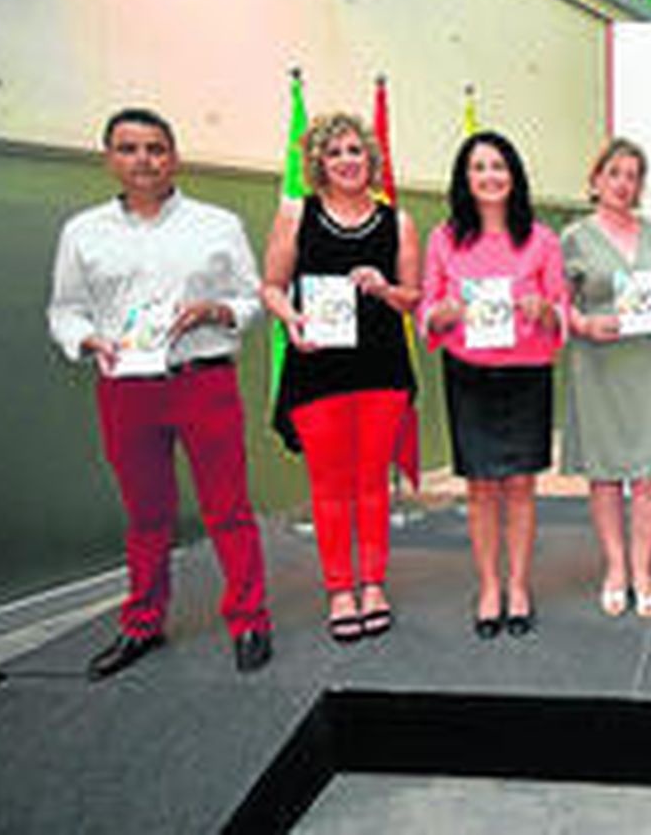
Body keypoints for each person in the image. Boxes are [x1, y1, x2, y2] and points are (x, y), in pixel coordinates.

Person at [48, 107, 272, 678]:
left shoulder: (217, 224)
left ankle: (249, 619)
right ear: (110, 159)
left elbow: (252, 299)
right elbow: (65, 309)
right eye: (129, 149)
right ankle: (143, 622)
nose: (143, 160)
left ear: (174, 157)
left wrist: (217, 310)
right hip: (126, 389)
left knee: (228, 508)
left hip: (203, 381)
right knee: (147, 514)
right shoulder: (83, 232)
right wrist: (85, 339)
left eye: (155, 148)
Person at [261, 112, 419, 643]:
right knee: (328, 485)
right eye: (335, 153)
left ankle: (372, 585)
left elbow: (412, 298)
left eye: (355, 151)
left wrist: (384, 288)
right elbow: (272, 286)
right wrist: (291, 319)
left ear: (371, 158)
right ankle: (339, 592)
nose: (348, 161)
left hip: (381, 368)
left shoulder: (397, 221)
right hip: (317, 366)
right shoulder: (295, 213)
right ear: (318, 162)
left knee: (372, 482)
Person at [420, 131, 565, 639]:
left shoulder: (542, 239)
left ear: (514, 175)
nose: (489, 176)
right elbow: (427, 308)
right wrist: (442, 313)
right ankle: (488, 588)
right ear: (465, 179)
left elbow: (561, 308)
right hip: (469, 373)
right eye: (478, 167)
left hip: (527, 373)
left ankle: (519, 587)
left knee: (522, 486)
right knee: (480, 489)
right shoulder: (443, 238)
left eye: (498, 166)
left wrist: (545, 310)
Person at [561, 138, 651, 618]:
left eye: (632, 175)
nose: (623, 183)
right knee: (606, 475)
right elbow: (559, 304)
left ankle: (642, 570)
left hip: (649, 363)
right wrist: (584, 324)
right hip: (598, 365)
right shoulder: (574, 237)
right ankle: (615, 568)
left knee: (650, 476)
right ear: (595, 180)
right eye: (614, 173)